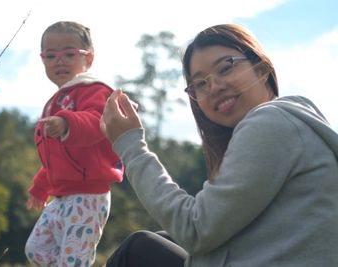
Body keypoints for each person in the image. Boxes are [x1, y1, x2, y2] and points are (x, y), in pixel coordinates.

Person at [99, 23, 338, 266]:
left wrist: (131, 146)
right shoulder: (289, 122)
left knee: (139, 249)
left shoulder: (271, 122)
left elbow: (195, 230)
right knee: (162, 239)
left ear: (262, 68)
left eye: (226, 67)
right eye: (200, 83)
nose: (214, 86)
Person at [25, 21, 123, 267]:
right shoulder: (57, 100)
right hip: (61, 195)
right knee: (36, 250)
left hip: (89, 196)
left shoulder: (95, 91)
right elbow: (57, 157)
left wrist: (67, 123)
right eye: (50, 56)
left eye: (69, 54)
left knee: (74, 261)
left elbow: (97, 122)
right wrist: (40, 186)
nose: (59, 61)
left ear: (88, 59)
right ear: (43, 60)